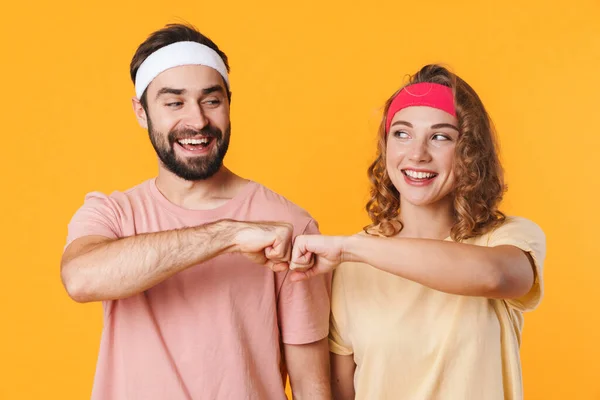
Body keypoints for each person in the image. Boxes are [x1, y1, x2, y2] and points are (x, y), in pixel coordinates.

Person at [61, 23, 331, 400]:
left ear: (229, 102)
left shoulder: (291, 224)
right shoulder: (112, 214)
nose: (198, 120)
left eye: (211, 100)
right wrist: (229, 235)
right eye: (174, 102)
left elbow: (311, 384)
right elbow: (81, 279)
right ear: (141, 111)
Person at [289, 64, 546, 400]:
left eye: (440, 136)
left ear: (469, 151)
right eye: (402, 133)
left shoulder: (507, 237)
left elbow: (494, 276)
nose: (417, 154)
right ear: (385, 147)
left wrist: (353, 249)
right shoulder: (349, 266)